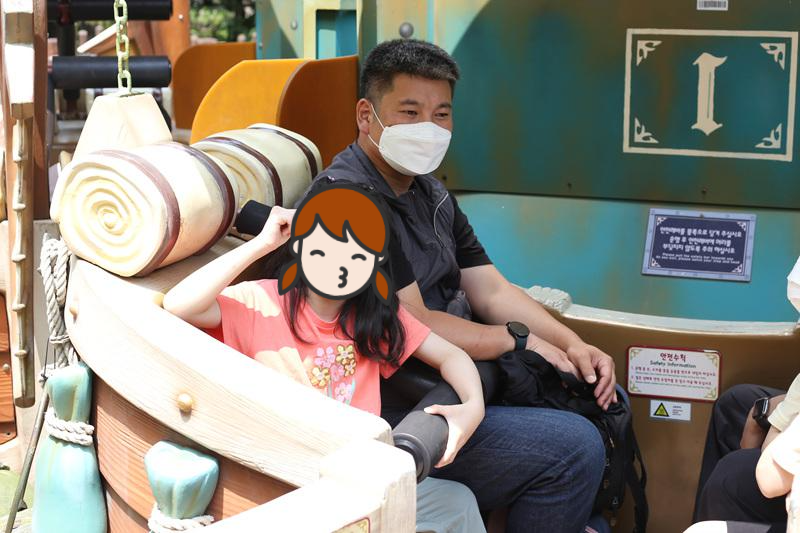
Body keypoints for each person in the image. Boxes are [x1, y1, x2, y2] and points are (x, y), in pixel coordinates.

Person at [255, 38, 608, 532]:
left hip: (456, 375)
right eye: (410, 112)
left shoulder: (429, 192)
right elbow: (417, 323)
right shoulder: (349, 205)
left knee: (595, 393)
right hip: (396, 408)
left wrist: (573, 344)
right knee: (572, 449)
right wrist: (520, 341)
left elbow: (491, 290)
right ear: (366, 116)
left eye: (441, 114)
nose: (429, 128)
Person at [163, 186, 487, 533]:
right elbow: (180, 305)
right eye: (323, 252)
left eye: (356, 258)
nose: (338, 268)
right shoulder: (260, 302)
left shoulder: (374, 316)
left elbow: (452, 356)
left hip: (360, 480)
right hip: (285, 483)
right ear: (301, 247)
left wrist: (473, 405)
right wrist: (263, 243)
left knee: (457, 502)